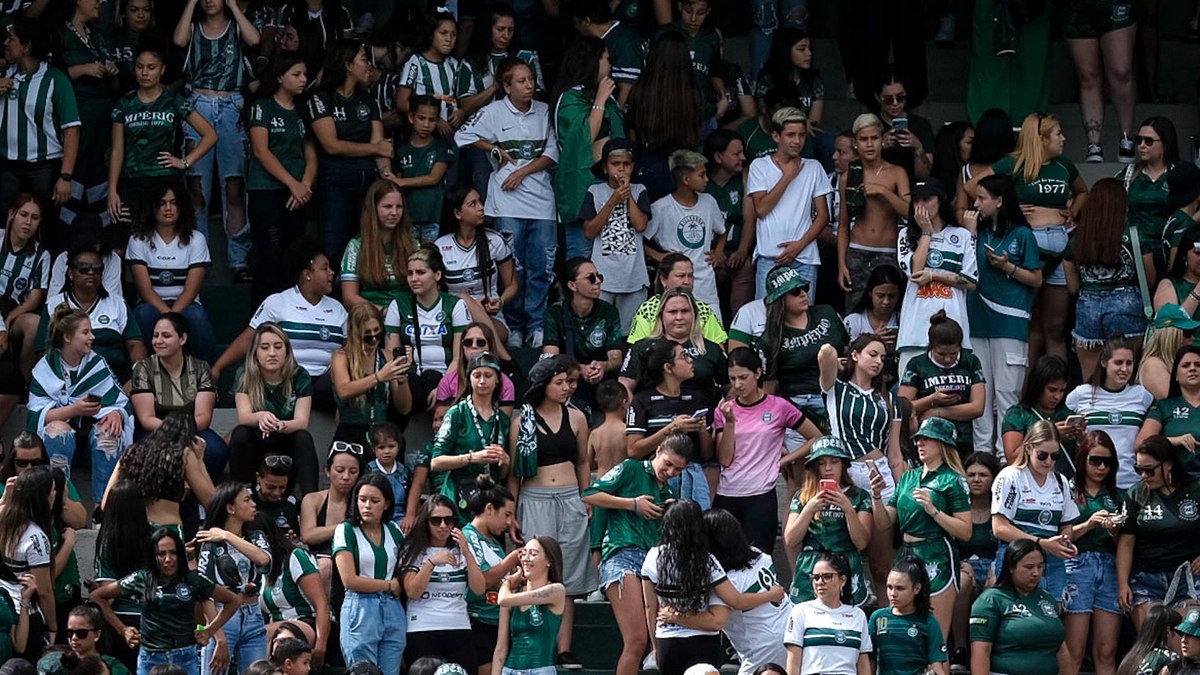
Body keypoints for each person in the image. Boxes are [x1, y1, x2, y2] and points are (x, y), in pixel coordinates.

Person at [454, 58, 557, 349]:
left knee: (542, 269)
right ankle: (513, 326)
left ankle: (536, 325)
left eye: (531, 80)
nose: (529, 85)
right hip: (507, 205)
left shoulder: (546, 112)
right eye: (521, 81)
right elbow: (463, 135)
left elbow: (552, 153)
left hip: (543, 205)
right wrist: (493, 148)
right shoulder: (493, 112)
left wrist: (522, 171)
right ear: (507, 86)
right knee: (515, 271)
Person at [970, 113, 1087, 366]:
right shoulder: (1013, 164)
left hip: (1060, 244)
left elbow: (1083, 191)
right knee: (1031, 323)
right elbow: (973, 187)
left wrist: (1074, 210)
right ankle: (1024, 393)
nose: (1063, 139)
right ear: (1041, 139)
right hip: (1027, 244)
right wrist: (1011, 208)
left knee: (1056, 327)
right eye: (1058, 134)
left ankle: (1057, 389)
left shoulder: (1065, 165)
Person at [581, 434, 688, 675]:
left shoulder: (669, 490)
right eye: (668, 464)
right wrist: (632, 504)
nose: (671, 472)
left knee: (659, 640)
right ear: (658, 450)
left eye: (678, 469)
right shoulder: (631, 468)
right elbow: (588, 495)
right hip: (621, 556)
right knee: (637, 640)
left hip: (654, 564)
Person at [507, 357, 593, 655]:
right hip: (535, 498)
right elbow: (515, 474)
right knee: (536, 572)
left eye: (570, 382)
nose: (567, 388)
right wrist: (512, 513)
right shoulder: (521, 422)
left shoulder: (577, 417)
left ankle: (564, 648)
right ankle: (536, 643)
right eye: (560, 383)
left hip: (570, 498)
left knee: (566, 573)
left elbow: (583, 461)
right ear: (543, 385)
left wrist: (586, 496)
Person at [641, 500, 786, 675]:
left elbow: (650, 607)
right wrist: (771, 594)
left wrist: (662, 635)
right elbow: (733, 604)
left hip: (669, 640)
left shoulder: (653, 556)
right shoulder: (754, 556)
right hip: (779, 630)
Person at [172, 0, 260, 282]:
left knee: (234, 186)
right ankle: (199, 257)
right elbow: (178, 40)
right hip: (197, 104)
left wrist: (234, 6)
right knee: (196, 188)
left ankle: (238, 259)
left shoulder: (236, 27)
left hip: (231, 105)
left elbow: (255, 39)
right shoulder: (195, 28)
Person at [870, 417, 971, 643]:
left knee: (935, 637)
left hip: (937, 552)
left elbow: (965, 531)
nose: (920, 444)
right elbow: (884, 522)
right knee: (907, 632)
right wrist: (876, 496)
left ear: (943, 444)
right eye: (918, 439)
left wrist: (933, 510)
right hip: (907, 553)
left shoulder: (953, 480)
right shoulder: (908, 477)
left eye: (927, 439)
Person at [212, 237, 348, 404]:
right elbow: (249, 338)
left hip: (326, 383)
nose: (332, 273)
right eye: (324, 268)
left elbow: (350, 347)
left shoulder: (338, 308)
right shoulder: (278, 302)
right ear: (307, 275)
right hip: (286, 380)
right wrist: (218, 367)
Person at [90, 527, 239, 675]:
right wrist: (122, 630)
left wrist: (210, 631)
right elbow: (97, 596)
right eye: (161, 554)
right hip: (151, 657)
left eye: (173, 552)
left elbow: (233, 600)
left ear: (180, 554)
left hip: (185, 656)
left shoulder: (193, 579)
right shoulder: (141, 578)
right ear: (153, 556)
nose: (168, 559)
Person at [965, 173, 1043, 455]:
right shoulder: (977, 232)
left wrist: (1006, 267)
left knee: (1007, 393)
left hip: (1010, 323)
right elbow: (962, 267)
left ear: (1000, 201)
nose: (976, 204)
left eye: (981, 198)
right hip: (976, 323)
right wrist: (970, 233)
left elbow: (1036, 279)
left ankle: (1006, 456)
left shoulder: (1022, 235)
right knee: (981, 394)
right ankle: (983, 456)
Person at [106, 39, 216, 237]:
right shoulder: (125, 103)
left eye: (151, 67)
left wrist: (185, 162)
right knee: (122, 240)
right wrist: (112, 190)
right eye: (140, 67)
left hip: (165, 180)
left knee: (167, 237)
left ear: (163, 69)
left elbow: (210, 135)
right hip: (132, 179)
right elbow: (117, 150)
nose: (145, 73)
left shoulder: (173, 99)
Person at [715, 347, 821, 552]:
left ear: (757, 373)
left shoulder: (778, 406)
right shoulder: (725, 410)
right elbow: (725, 459)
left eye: (743, 377)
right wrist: (729, 422)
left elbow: (816, 437)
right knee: (725, 562)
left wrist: (785, 459)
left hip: (761, 494)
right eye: (732, 378)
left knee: (760, 560)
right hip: (727, 492)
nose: (737, 384)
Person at [28, 305, 132, 502]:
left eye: (91, 331)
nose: (92, 337)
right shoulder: (44, 368)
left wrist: (117, 414)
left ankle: (103, 510)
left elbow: (121, 402)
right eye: (85, 332)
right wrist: (74, 409)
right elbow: (36, 416)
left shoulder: (97, 363)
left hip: (91, 439)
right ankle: (60, 505)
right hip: (60, 444)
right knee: (57, 433)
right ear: (67, 337)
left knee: (109, 434)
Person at [307, 39, 391, 269]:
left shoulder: (368, 99)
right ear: (347, 65)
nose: (369, 67)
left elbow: (381, 145)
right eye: (363, 60)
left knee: (364, 249)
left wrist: (388, 176)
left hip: (367, 183)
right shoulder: (320, 97)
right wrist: (375, 149)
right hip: (335, 183)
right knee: (332, 249)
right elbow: (331, 145)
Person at [0, 19, 81, 249]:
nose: (6, 43)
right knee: (5, 226)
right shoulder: (4, 74)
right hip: (7, 166)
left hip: (44, 168)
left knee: (43, 228)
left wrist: (65, 177)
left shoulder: (55, 79)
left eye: (11, 39)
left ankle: (42, 280)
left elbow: (72, 129)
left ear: (26, 47)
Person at [1064, 178, 1153, 379]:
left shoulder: (1078, 238)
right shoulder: (1135, 236)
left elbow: (1072, 287)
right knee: (1124, 374)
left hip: (1088, 307)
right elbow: (1148, 279)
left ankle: (1094, 411)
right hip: (1128, 307)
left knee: (1090, 378)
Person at [247, 52, 317, 301]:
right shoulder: (262, 106)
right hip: (266, 190)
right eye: (296, 74)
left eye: (305, 74)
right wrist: (293, 184)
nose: (302, 79)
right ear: (279, 77)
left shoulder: (303, 109)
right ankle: (260, 318)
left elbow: (311, 154)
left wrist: (305, 186)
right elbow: (261, 151)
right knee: (271, 256)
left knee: (293, 258)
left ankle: (288, 316)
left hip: (298, 194)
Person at [130, 313, 229, 482]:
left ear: (182, 339)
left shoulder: (201, 367)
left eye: (166, 336)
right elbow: (146, 418)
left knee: (216, 450)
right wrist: (174, 432)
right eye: (155, 335)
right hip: (154, 429)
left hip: (192, 427)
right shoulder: (143, 368)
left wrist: (184, 433)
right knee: (158, 450)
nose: (158, 341)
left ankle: (200, 500)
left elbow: (203, 417)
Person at [552, 36, 625, 260]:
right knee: (582, 263)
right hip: (583, 190)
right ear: (592, 61)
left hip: (612, 188)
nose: (610, 65)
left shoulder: (609, 98)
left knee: (611, 261)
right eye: (606, 59)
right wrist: (600, 100)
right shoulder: (570, 98)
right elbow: (583, 137)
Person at [126, 183, 215, 365]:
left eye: (174, 203)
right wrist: (168, 317)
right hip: (151, 304)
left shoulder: (196, 239)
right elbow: (145, 290)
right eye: (162, 203)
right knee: (143, 314)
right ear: (152, 207)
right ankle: (142, 379)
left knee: (196, 316)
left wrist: (172, 317)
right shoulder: (138, 239)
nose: (168, 208)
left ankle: (207, 379)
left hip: (187, 304)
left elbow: (191, 290)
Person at [747, 107, 832, 297]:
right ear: (776, 136)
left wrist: (799, 245)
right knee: (767, 319)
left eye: (802, 135)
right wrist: (787, 177)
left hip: (805, 257)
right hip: (770, 257)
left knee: (803, 320)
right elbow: (760, 209)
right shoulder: (759, 166)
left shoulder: (813, 167)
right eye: (791, 135)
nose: (797, 141)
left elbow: (823, 215)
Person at [896, 177, 978, 375]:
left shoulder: (962, 235)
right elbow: (915, 271)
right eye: (916, 200)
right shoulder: (905, 235)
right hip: (915, 332)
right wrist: (926, 232)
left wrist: (934, 275)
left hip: (953, 333)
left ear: (940, 201)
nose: (920, 206)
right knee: (910, 399)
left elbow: (971, 281)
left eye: (927, 199)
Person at [991, 420, 1079, 600]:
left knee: (1051, 617)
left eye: (1054, 456)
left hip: (1052, 562)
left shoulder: (1061, 481)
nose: (1048, 461)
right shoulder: (1011, 476)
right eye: (1042, 455)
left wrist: (1065, 540)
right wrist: (1041, 543)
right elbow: (999, 527)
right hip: (1018, 558)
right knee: (1017, 618)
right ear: (1029, 448)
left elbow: (1066, 524)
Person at [1117, 436, 1200, 627]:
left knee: (1185, 642)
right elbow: (1126, 542)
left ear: (1168, 465)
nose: (1144, 476)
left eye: (1149, 470)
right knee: (1153, 641)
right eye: (1139, 470)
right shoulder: (1135, 494)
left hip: (1188, 579)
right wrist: (1123, 584)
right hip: (1146, 580)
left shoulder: (1196, 489)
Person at [227, 324, 319, 495]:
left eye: (278, 347)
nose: (272, 353)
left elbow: (301, 421)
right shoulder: (244, 373)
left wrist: (280, 425)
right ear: (255, 352)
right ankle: (241, 493)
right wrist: (261, 416)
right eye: (264, 347)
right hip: (257, 438)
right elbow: (244, 416)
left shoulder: (299, 375)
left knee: (303, 437)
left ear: (287, 351)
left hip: (286, 436)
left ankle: (310, 499)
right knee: (241, 433)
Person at [624, 338, 716, 507]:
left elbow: (707, 453)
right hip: (656, 478)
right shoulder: (642, 400)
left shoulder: (697, 398)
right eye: (683, 356)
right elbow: (633, 450)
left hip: (692, 477)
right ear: (668, 367)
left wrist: (702, 430)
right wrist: (672, 428)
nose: (690, 360)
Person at [783, 437, 873, 607]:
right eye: (822, 463)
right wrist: (809, 508)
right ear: (814, 466)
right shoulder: (802, 496)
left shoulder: (859, 496)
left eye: (834, 462)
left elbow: (861, 543)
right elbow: (790, 539)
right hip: (811, 566)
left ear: (844, 465)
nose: (828, 468)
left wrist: (847, 509)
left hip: (845, 563)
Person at [1062, 430, 1124, 675]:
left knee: (1106, 651)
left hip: (1110, 567)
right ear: (1082, 459)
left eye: (1107, 462)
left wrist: (1113, 530)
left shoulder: (1118, 496)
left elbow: (1125, 544)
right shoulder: (1067, 490)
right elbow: (1061, 538)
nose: (1101, 467)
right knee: (1074, 650)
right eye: (1095, 460)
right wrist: (1089, 524)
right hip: (1077, 564)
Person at [384, 244, 471, 417]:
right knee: (408, 382)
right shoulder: (398, 305)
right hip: (410, 378)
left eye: (421, 272)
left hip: (446, 376)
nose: (414, 278)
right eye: (410, 273)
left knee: (433, 377)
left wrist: (443, 387)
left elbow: (459, 357)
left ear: (437, 275)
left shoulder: (455, 305)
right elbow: (390, 354)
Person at [758, 266, 849, 430]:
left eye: (804, 288)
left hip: (840, 393)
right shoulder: (769, 339)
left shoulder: (827, 313)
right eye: (794, 291)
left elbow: (849, 349)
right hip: (799, 406)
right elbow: (768, 392)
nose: (803, 294)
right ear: (779, 299)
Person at [39, 243, 146, 384]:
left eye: (97, 269)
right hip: (68, 381)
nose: (91, 272)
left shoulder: (117, 303)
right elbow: (42, 350)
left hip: (115, 379)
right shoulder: (54, 305)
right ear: (71, 273)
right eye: (83, 268)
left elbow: (135, 344)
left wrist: (137, 378)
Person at [399, 495, 486, 666]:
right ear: (426, 522)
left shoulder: (462, 550)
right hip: (422, 628)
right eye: (436, 521)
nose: (443, 526)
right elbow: (413, 592)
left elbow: (479, 588)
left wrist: (467, 553)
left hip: (459, 627)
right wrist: (431, 563)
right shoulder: (413, 550)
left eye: (448, 520)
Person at [702, 509, 791, 675]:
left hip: (763, 645)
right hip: (790, 628)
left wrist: (677, 617)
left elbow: (716, 621)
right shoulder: (758, 554)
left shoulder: (728, 581)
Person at [332, 474, 405, 674]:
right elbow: (349, 580)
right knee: (363, 671)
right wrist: (390, 585)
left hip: (392, 608)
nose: (367, 506)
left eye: (374, 501)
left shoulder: (394, 530)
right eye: (362, 499)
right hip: (360, 606)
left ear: (387, 504)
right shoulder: (345, 530)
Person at [101, 413, 215, 541]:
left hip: (131, 531)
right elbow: (211, 501)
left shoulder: (131, 452)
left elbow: (106, 503)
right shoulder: (182, 454)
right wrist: (200, 461)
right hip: (167, 532)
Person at [836, 114, 908, 313]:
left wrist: (884, 192)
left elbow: (911, 212)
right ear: (855, 143)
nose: (869, 144)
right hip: (857, 252)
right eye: (864, 139)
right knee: (854, 311)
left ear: (883, 140)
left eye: (874, 138)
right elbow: (842, 224)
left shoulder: (896, 172)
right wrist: (841, 265)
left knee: (889, 312)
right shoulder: (848, 176)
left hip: (889, 253)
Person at [196, 483, 271, 675]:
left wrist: (227, 535)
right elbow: (205, 594)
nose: (254, 504)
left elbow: (263, 559)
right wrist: (218, 636)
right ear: (230, 508)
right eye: (246, 500)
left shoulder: (256, 536)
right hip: (223, 616)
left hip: (253, 615)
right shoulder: (210, 544)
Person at [434, 187, 517, 359]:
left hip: (491, 318)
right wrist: (468, 303)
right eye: (473, 204)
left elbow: (512, 285)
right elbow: (435, 292)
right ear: (457, 213)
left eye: (480, 201)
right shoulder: (441, 246)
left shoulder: (494, 241)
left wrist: (500, 301)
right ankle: (506, 361)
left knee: (479, 337)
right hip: (453, 318)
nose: (481, 207)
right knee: (463, 300)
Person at [969, 538, 1072, 675]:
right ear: (1011, 567)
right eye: (1029, 567)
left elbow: (1061, 649)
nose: (1036, 573)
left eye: (1040, 566)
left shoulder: (1048, 599)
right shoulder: (990, 600)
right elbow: (981, 651)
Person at [646, 150, 726, 321]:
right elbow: (640, 240)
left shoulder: (709, 202)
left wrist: (719, 251)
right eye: (702, 175)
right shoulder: (661, 208)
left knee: (714, 336)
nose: (706, 179)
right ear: (686, 179)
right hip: (674, 287)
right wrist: (658, 256)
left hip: (706, 285)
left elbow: (722, 232)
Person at [430, 352, 511, 522]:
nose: (482, 381)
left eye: (488, 375)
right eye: (477, 375)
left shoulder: (502, 419)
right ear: (469, 379)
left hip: (490, 496)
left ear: (497, 380)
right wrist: (472, 457)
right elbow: (436, 462)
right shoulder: (457, 413)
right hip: (459, 495)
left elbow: (503, 473)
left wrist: (505, 460)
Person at [581, 138, 652, 332]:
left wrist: (627, 195)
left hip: (634, 278)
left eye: (626, 164)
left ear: (633, 167)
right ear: (605, 167)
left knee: (630, 334)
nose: (621, 169)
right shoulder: (595, 191)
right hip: (603, 279)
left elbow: (641, 225)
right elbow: (589, 232)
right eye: (615, 164)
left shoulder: (640, 190)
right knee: (599, 331)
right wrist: (613, 201)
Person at [1066, 335, 1153, 489]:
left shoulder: (1142, 395)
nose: (1124, 369)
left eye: (1129, 363)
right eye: (1118, 363)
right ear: (1104, 362)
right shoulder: (1080, 394)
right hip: (1091, 485)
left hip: (1131, 483)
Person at [898, 311, 986, 459]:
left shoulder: (970, 361)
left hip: (962, 439)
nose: (947, 359)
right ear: (931, 346)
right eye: (941, 354)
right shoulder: (917, 364)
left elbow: (978, 407)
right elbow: (901, 407)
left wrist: (938, 412)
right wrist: (931, 400)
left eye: (953, 354)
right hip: (929, 438)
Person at [620, 287, 727, 403]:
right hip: (652, 416)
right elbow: (625, 385)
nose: (679, 317)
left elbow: (731, 386)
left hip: (703, 416)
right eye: (672, 312)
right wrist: (634, 415)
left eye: (685, 311)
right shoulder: (642, 347)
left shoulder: (712, 349)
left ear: (695, 314)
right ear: (661, 315)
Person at [1063, 0, 1137, 163]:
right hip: (1077, 7)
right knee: (1088, 76)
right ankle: (1094, 143)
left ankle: (1127, 138)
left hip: (1114, 4)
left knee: (1121, 71)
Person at [541, 258, 625, 400]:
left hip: (601, 383)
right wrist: (580, 369)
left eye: (599, 276)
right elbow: (551, 357)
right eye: (591, 278)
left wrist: (601, 367)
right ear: (572, 285)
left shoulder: (609, 311)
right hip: (566, 380)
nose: (598, 281)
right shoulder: (555, 313)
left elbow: (616, 358)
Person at [462, 475, 521, 675]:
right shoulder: (469, 536)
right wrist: (511, 561)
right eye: (507, 514)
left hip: (499, 622)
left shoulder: (494, 543)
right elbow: (483, 581)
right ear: (489, 509)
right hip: (479, 622)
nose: (509, 522)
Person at [329, 303, 412, 444]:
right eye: (367, 335)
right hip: (350, 431)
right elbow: (343, 390)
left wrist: (402, 380)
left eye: (377, 332)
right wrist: (378, 377)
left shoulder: (386, 356)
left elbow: (404, 409)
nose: (374, 339)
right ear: (355, 334)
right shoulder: (341, 356)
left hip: (380, 435)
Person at [256, 519, 330, 670]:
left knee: (281, 639)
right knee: (257, 635)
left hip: (308, 622)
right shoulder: (254, 568)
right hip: (275, 625)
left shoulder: (295, 556)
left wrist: (321, 646)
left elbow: (321, 604)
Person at [783, 552, 872, 675]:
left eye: (827, 576)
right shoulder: (800, 611)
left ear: (843, 580)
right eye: (816, 577)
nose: (820, 582)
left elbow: (863, 664)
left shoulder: (858, 615)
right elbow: (793, 663)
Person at [93, 480, 149, 670]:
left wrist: (121, 629)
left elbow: (105, 596)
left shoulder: (107, 540)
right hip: (152, 617)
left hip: (120, 620)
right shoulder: (156, 534)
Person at [491, 536, 567, 675]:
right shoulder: (512, 596)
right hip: (510, 670)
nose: (525, 559)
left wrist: (507, 582)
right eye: (523, 553)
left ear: (549, 561)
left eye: (533, 554)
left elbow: (502, 599)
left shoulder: (557, 590)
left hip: (540, 670)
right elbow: (501, 648)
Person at [0, 467, 55, 651]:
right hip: (26, 615)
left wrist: (6, 498)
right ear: (43, 497)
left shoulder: (3, 519)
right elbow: (44, 591)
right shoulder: (35, 537)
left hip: (4, 609)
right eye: (52, 490)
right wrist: (53, 627)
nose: (54, 494)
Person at [339, 180, 416, 311]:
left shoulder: (413, 244)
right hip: (370, 318)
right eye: (387, 207)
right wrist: (383, 312)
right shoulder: (356, 246)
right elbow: (349, 297)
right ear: (373, 209)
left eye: (399, 207)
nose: (394, 213)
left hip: (406, 317)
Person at [390, 95, 454, 244]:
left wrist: (401, 182)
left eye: (432, 120)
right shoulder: (401, 149)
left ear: (438, 121)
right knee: (408, 256)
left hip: (433, 215)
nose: (426, 124)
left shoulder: (441, 147)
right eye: (421, 118)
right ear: (411, 117)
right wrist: (398, 182)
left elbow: (434, 178)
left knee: (428, 258)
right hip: (407, 215)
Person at [0, 194, 50, 384]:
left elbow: (34, 299)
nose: (28, 222)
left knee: (35, 324)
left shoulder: (42, 255)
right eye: (23, 214)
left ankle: (23, 382)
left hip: (15, 311)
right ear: (12, 214)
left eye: (34, 218)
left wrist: (11, 317)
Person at [298, 444, 363, 591]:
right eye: (339, 470)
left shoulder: (362, 503)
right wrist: (345, 526)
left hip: (351, 563)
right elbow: (307, 535)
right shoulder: (313, 499)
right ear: (327, 471)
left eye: (353, 472)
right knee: (325, 566)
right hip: (318, 564)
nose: (346, 477)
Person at [1001, 355, 1077, 476]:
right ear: (1038, 386)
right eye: (1052, 390)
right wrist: (1050, 436)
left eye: (1061, 390)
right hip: (1029, 483)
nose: (1057, 396)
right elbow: (1012, 459)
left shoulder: (1067, 414)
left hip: (1064, 484)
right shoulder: (1017, 414)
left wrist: (1083, 440)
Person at [627, 255, 728, 346]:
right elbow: (637, 350)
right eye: (681, 276)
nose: (687, 282)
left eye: (690, 276)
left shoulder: (703, 310)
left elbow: (718, 351)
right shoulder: (648, 311)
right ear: (663, 280)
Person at [868, 559, 947, 675]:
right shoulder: (877, 618)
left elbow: (937, 666)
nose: (893, 594)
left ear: (916, 589)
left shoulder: (928, 621)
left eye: (900, 588)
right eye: (889, 587)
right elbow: (869, 660)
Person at [434, 322, 517, 429]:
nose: (474, 346)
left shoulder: (505, 383)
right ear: (462, 347)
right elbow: (441, 424)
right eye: (468, 342)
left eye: (480, 343)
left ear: (490, 347)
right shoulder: (447, 382)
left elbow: (501, 426)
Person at [1122, 117, 1178, 273]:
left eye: (1148, 141)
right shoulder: (1128, 174)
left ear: (1165, 143)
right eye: (1138, 140)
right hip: (1134, 251)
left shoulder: (1179, 173)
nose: (1141, 146)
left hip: (1171, 251)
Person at [1138, 346, 1200, 479]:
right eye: (1186, 365)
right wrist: (1175, 440)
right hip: (1176, 481)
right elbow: (1141, 443)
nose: (1192, 368)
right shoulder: (1164, 406)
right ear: (1176, 375)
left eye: (1198, 365)